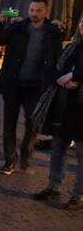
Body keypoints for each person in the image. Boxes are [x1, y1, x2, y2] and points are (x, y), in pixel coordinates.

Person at [0, 0, 64, 175]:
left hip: (37, 86)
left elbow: (57, 58)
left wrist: (52, 81)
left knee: (33, 123)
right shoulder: (18, 27)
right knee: (9, 123)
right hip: (13, 83)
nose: (34, 13)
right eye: (31, 10)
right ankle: (9, 160)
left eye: (38, 10)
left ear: (46, 12)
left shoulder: (52, 32)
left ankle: (25, 156)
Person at [33, 16, 83, 210]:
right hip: (64, 105)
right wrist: (62, 80)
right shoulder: (72, 47)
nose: (82, 26)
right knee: (57, 148)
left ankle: (79, 195)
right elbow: (52, 69)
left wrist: (74, 75)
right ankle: (54, 186)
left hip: (81, 109)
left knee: (81, 154)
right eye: (82, 22)